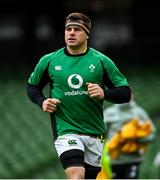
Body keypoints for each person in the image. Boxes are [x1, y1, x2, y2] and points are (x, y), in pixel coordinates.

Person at [26, 12, 132, 179]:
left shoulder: (101, 61)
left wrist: (104, 93)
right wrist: (42, 101)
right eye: (68, 29)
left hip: (94, 133)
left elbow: (125, 93)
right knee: (77, 176)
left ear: (87, 34)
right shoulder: (50, 60)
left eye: (77, 29)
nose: (71, 33)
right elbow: (32, 86)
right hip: (66, 130)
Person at [103, 99, 157, 179]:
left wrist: (136, 138)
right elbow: (102, 135)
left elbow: (152, 134)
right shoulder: (109, 113)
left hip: (133, 159)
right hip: (115, 159)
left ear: (132, 96)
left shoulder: (139, 112)